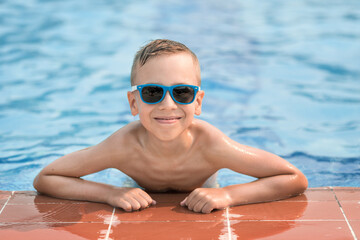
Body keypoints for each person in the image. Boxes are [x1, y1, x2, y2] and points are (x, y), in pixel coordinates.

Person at [33, 39, 308, 214]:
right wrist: (111, 193)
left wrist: (226, 194)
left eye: (183, 92)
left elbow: (293, 178)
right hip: (134, 186)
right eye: (152, 92)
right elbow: (47, 178)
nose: (167, 104)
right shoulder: (123, 146)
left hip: (207, 186)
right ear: (134, 102)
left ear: (198, 102)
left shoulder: (211, 145)